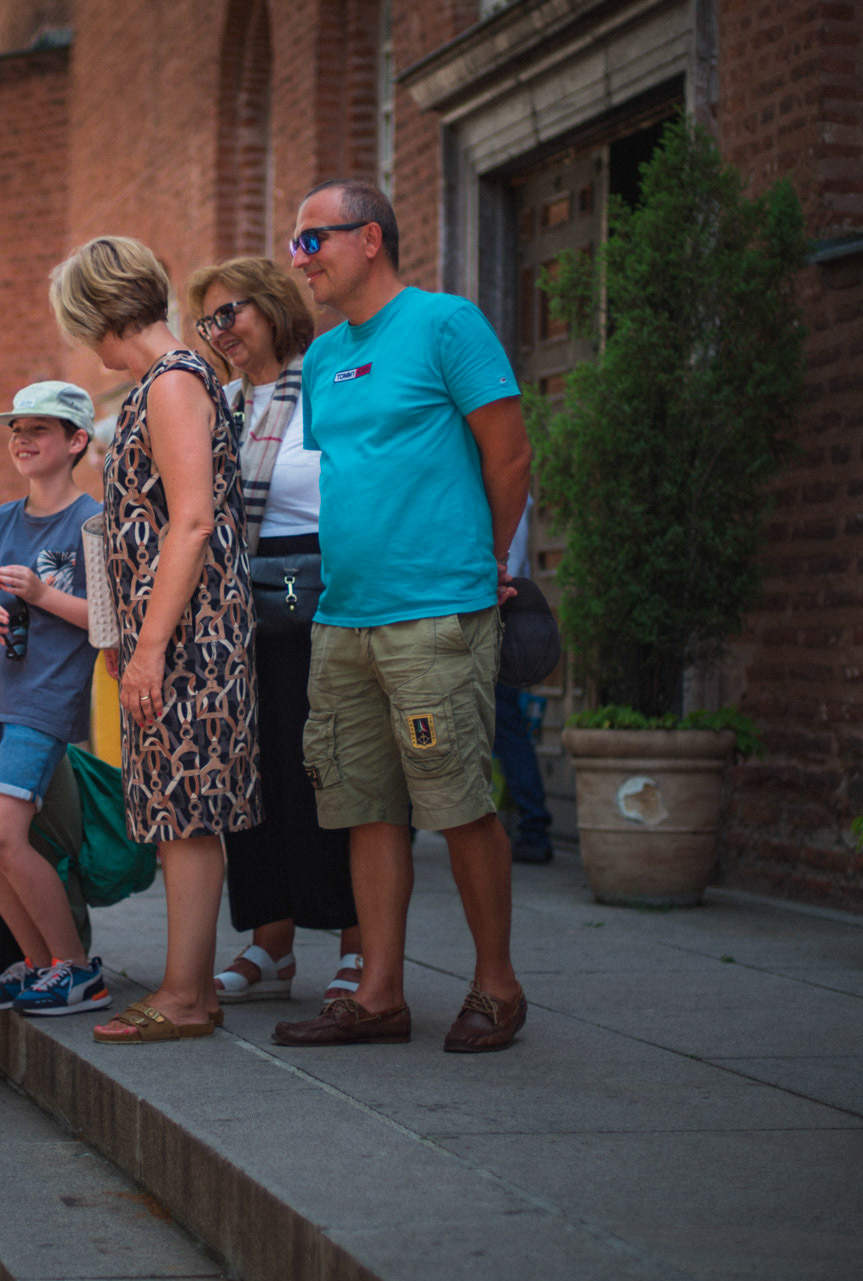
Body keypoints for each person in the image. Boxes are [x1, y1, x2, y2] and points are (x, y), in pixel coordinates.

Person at [272, 180, 533, 1054]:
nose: (299, 259)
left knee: (457, 803)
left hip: (435, 611)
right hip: (343, 617)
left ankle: (497, 986)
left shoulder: (445, 324)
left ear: (370, 238)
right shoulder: (321, 359)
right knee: (365, 806)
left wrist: (486, 561)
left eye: (313, 240)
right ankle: (379, 992)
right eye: (296, 243)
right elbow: (354, 475)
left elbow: (510, 455)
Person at [48, 236, 260, 1045]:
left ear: (100, 311)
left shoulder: (171, 383)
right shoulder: (166, 381)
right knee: (177, 809)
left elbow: (192, 520)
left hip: (190, 634)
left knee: (188, 811)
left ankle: (185, 994)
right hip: (178, 630)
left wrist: (149, 648)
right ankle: (189, 988)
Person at [187, 256, 363, 1007]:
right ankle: (271, 942)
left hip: (328, 592)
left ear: (273, 306)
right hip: (238, 608)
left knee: (332, 770)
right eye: (209, 320)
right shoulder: (220, 404)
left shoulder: (323, 386)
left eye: (231, 312)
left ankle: (360, 942)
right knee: (251, 773)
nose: (220, 330)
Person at [0, 380, 108, 1017]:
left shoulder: (95, 522)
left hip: (42, 702)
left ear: (76, 441)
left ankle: (77, 969)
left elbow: (107, 622)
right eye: (16, 429)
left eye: (38, 429)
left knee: (5, 836)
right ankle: (39, 964)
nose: (21, 439)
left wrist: (42, 596)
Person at [493, 499, 555, 863]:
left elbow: (509, 566)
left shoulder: (505, 490)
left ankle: (533, 826)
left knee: (505, 726)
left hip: (493, 616)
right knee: (506, 727)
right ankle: (533, 825)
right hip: (492, 613)